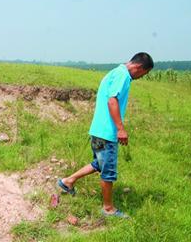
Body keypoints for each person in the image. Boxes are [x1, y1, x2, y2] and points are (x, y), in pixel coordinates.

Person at [58, 52, 154, 218]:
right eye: (143, 74)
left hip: (97, 130)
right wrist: (120, 129)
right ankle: (108, 209)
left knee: (99, 164)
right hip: (107, 133)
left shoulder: (115, 71)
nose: (141, 77)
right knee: (108, 171)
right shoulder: (123, 76)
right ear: (139, 68)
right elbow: (112, 101)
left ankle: (68, 181)